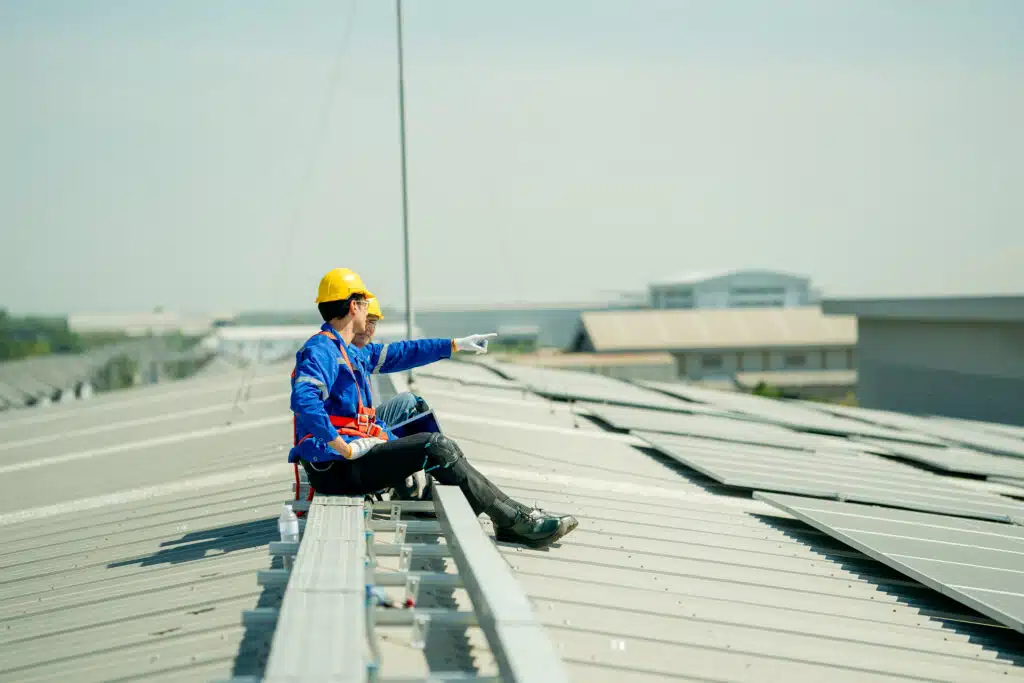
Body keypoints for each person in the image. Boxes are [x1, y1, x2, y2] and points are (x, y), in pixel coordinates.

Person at [290, 267, 578, 548]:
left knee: (427, 434)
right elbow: (304, 399)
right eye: (365, 305)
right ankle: (515, 520)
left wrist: (453, 345)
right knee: (436, 447)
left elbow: (404, 352)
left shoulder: (348, 350)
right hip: (338, 469)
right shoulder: (322, 350)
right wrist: (341, 445)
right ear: (354, 306)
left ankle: (509, 516)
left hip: (348, 459)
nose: (368, 315)